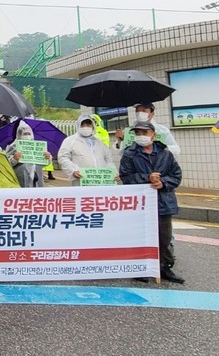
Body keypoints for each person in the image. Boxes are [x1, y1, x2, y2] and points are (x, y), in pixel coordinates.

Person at [119, 121, 185, 284]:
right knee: (141, 236)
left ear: (153, 135)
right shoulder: (129, 154)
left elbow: (176, 175)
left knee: (164, 237)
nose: (141, 136)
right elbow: (125, 177)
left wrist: (163, 183)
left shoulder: (165, 153)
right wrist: (146, 178)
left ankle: (164, 267)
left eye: (145, 133)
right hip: (140, 203)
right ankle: (141, 267)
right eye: (138, 133)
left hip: (163, 201)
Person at [57, 114, 115, 186]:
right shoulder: (70, 141)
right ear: (78, 126)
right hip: (81, 180)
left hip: (101, 181)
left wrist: (112, 172)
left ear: (93, 126)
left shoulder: (99, 142)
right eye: (83, 125)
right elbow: (63, 157)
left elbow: (108, 159)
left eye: (88, 125)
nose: (86, 127)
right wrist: (73, 170)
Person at [115, 102, 180, 157]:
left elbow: (176, 150)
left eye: (144, 111)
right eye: (137, 111)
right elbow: (122, 154)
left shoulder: (162, 130)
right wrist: (120, 140)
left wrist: (163, 147)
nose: (140, 114)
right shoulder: (129, 131)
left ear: (152, 114)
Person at [5, 121, 52, 188]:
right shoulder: (13, 147)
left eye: (28, 133)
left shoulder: (37, 146)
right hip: (19, 179)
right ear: (19, 134)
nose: (27, 136)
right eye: (24, 134)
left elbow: (44, 163)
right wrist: (14, 159)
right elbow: (5, 164)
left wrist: (48, 157)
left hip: (36, 179)